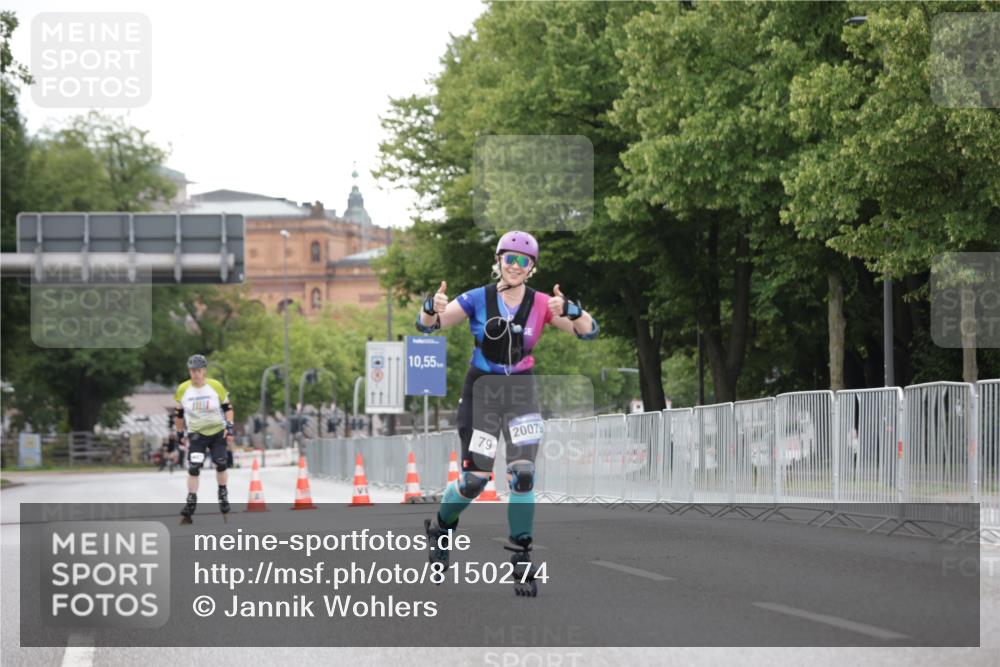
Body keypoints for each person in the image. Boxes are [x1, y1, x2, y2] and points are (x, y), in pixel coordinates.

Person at [416, 230, 599, 596]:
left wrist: (575, 311)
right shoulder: (476, 298)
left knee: (524, 474)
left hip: (521, 391)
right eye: (509, 259)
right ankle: (440, 526)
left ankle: (521, 553)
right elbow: (430, 325)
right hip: (481, 391)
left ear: (532, 268)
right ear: (498, 260)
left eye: (523, 261)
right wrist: (429, 308)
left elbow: (589, 331)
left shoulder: (544, 303)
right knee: (474, 480)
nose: (515, 266)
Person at [175, 354, 235, 523]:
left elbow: (228, 408)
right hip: (196, 434)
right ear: (189, 371)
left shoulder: (215, 386)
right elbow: (179, 414)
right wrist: (179, 433)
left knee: (221, 463)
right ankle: (191, 502)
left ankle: (223, 493)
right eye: (193, 371)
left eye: (199, 370)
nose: (196, 374)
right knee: (194, 467)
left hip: (217, 432)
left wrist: (229, 426)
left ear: (204, 371)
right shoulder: (183, 389)